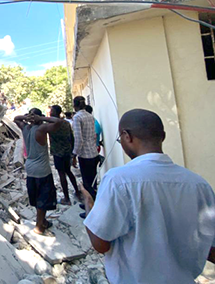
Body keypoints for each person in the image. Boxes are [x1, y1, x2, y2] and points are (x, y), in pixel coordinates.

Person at [80, 109, 215, 284]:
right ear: (163, 136)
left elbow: (101, 244)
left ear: (126, 136)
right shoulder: (199, 184)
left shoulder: (118, 180)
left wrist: (90, 205)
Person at [14, 108, 61, 235]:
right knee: (44, 198)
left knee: (36, 196)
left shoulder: (25, 128)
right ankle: (39, 226)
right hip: (42, 169)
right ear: (39, 118)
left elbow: (16, 119)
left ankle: (42, 220)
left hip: (29, 167)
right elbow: (58, 122)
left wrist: (26, 118)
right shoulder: (41, 129)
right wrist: (42, 119)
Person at [72, 96, 99, 218]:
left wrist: (74, 154)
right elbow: (93, 135)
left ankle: (91, 210)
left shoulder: (77, 117)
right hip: (93, 152)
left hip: (85, 155)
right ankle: (91, 203)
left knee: (87, 184)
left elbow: (79, 139)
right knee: (92, 182)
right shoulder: (89, 115)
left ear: (75, 105)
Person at [48, 105, 81, 205]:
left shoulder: (52, 123)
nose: (50, 112)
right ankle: (77, 191)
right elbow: (72, 137)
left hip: (58, 152)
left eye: (51, 111)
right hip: (67, 151)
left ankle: (66, 198)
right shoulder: (66, 123)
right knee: (69, 172)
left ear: (55, 112)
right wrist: (72, 152)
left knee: (61, 174)